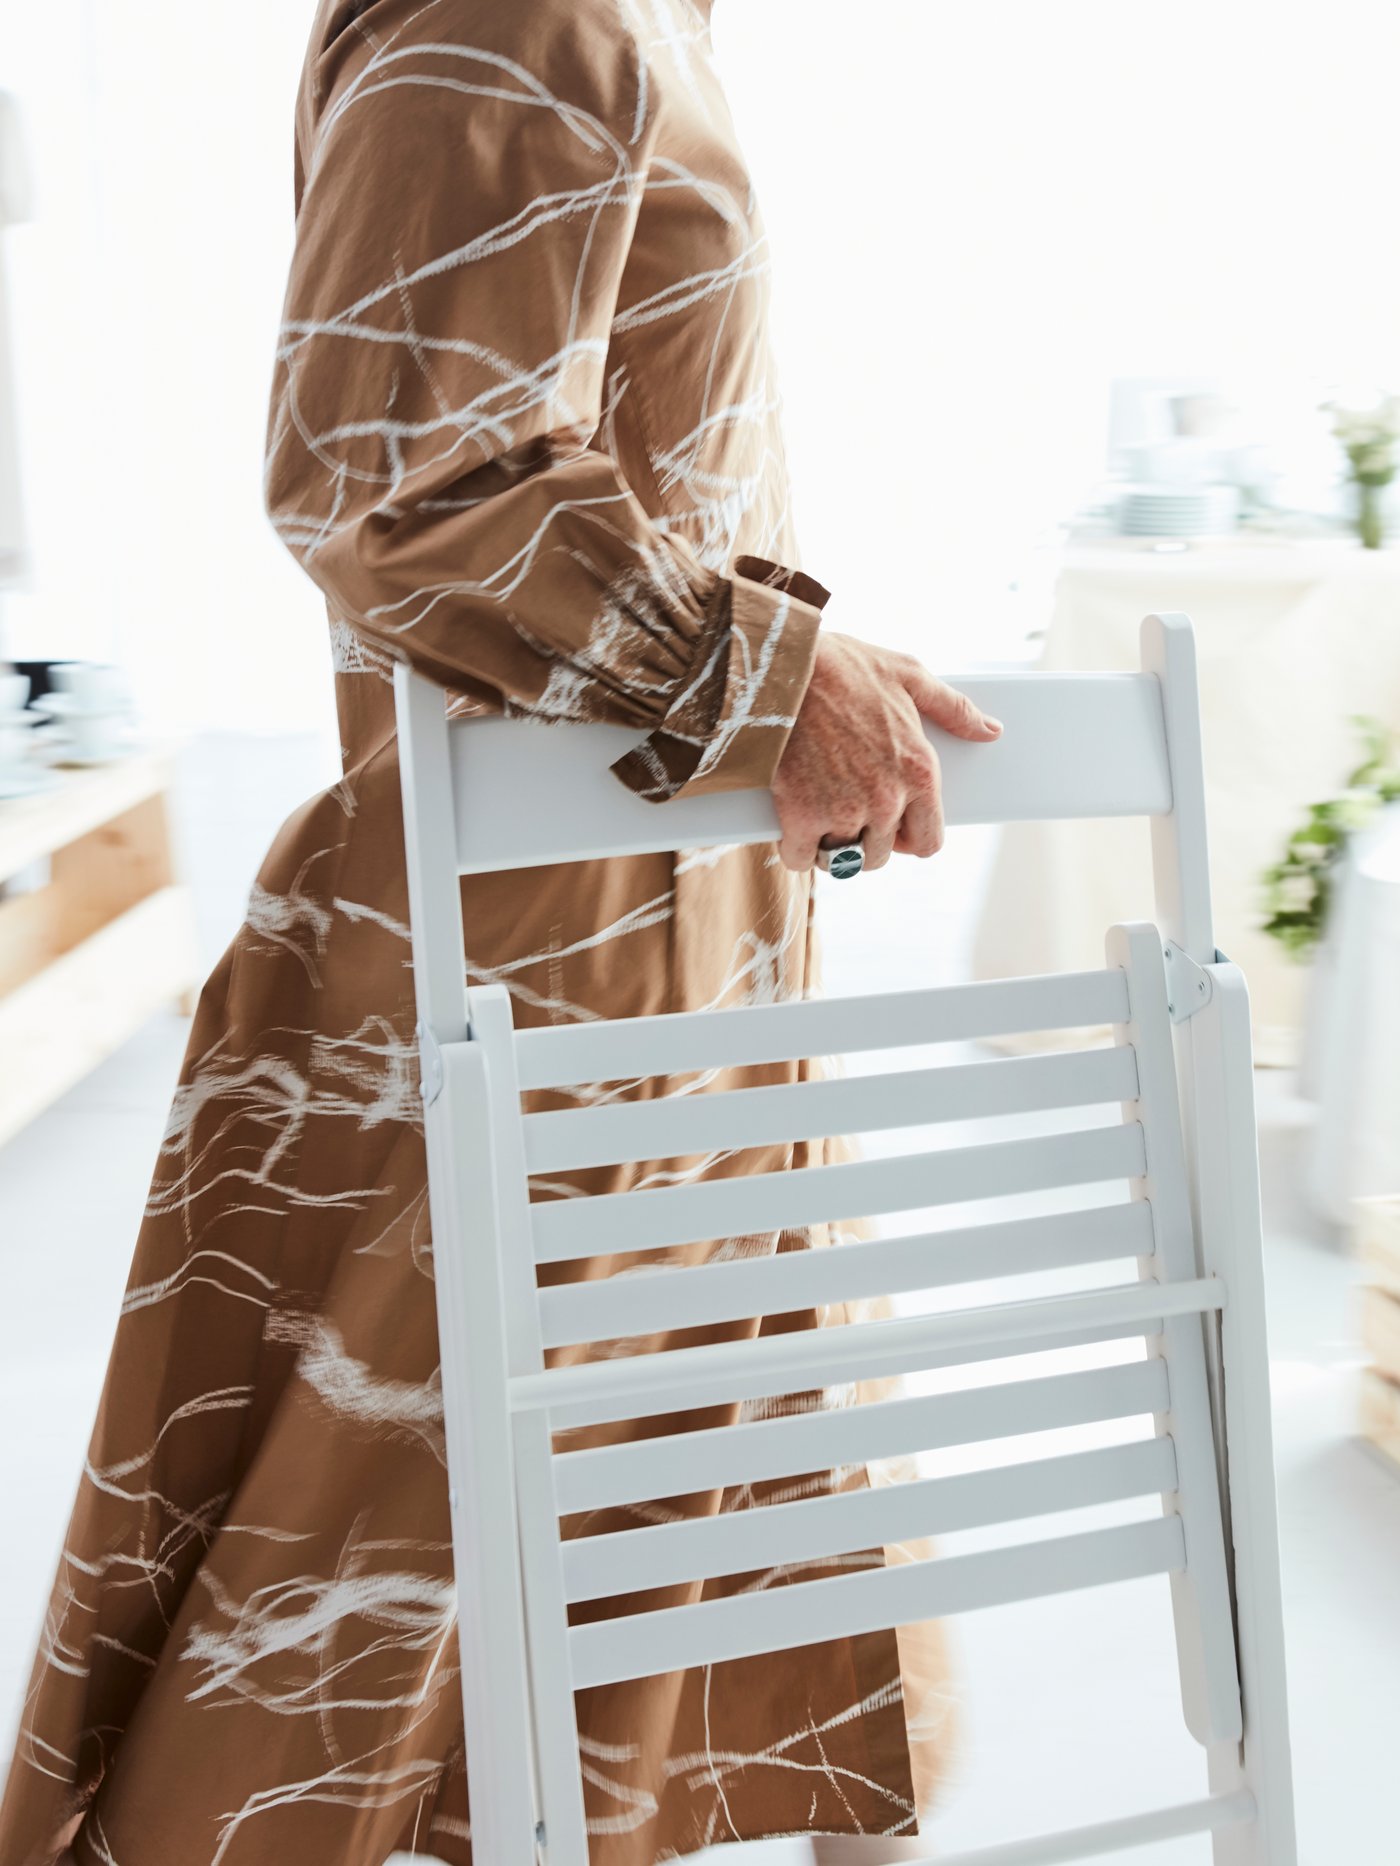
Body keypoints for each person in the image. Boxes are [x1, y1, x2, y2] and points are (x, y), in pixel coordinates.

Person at [0, 2, 1002, 1861]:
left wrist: (778, 681)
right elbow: (391, 474)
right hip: (541, 943)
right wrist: (767, 671)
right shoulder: (523, 5)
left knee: (639, 1499)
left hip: (661, 909)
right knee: (401, 1551)